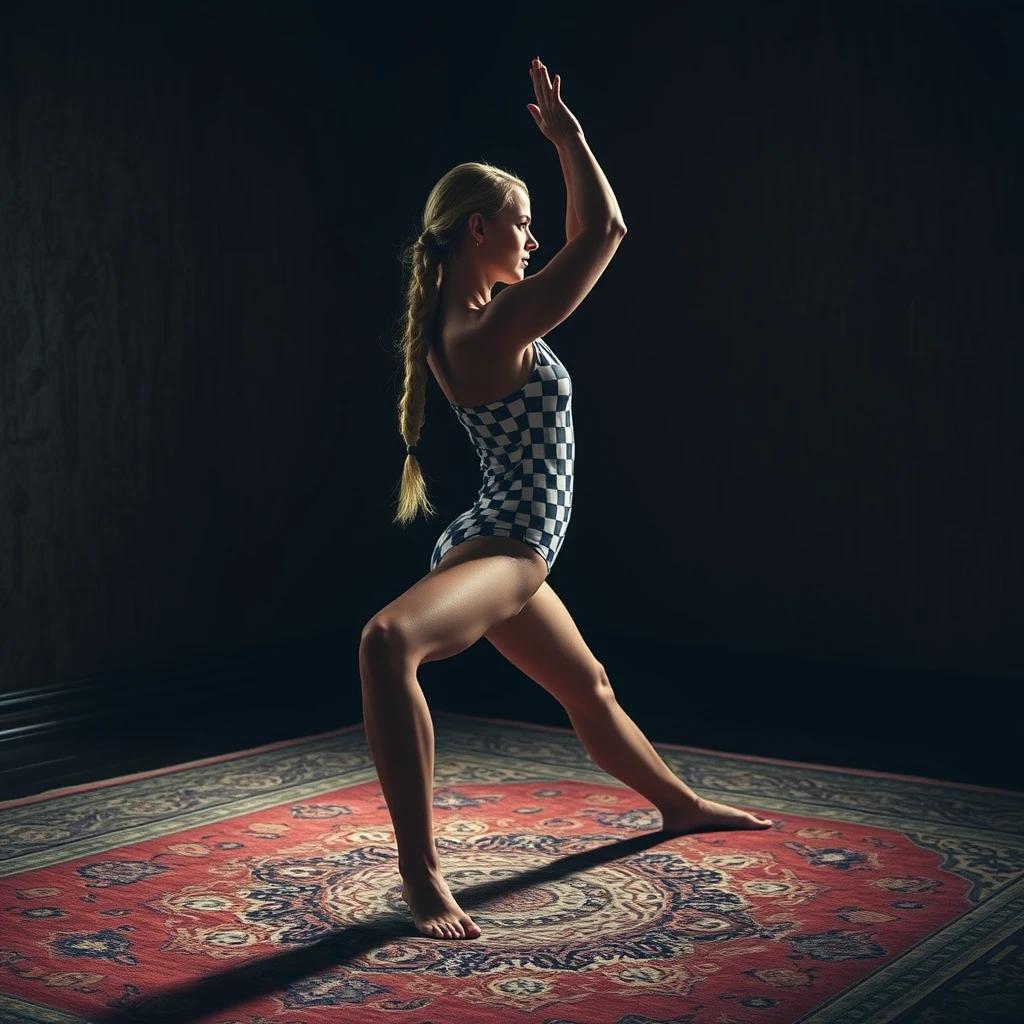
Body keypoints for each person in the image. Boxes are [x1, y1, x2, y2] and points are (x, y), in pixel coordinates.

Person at [359, 56, 772, 943]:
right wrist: (570, 138)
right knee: (387, 642)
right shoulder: (490, 325)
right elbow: (609, 228)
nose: (534, 239)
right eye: (522, 226)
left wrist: (557, 148)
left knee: (588, 687)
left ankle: (680, 804)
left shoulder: (463, 316)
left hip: (505, 535)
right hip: (509, 544)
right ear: (479, 231)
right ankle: (422, 871)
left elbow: (586, 230)